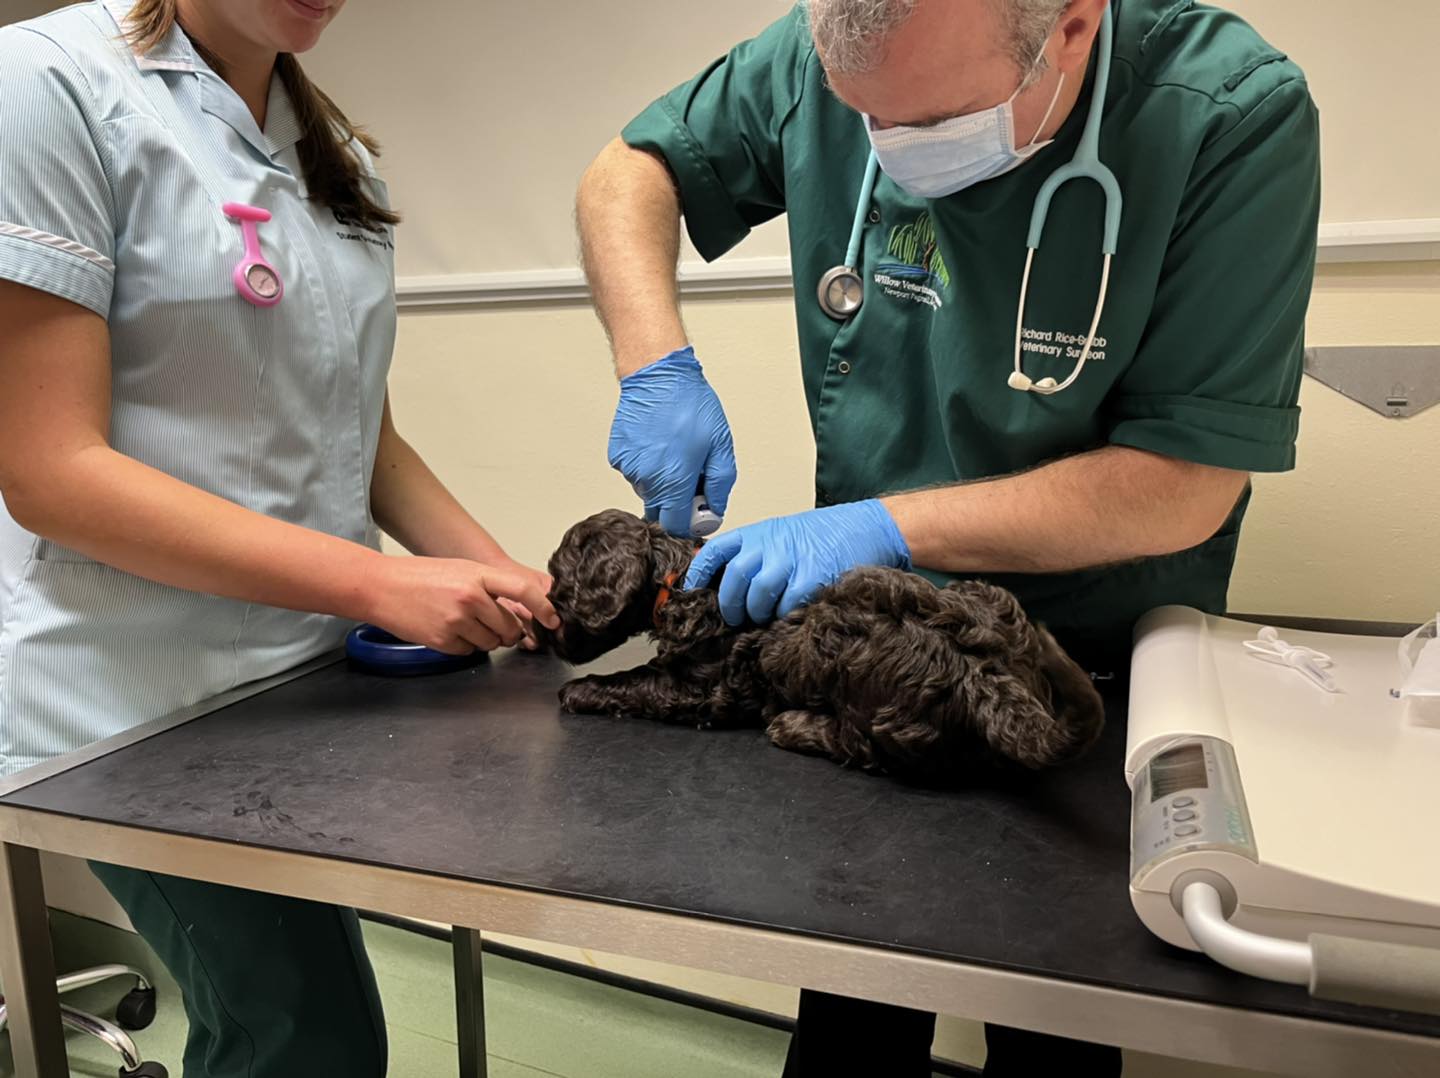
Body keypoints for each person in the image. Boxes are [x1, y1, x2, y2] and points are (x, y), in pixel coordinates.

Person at [576, 0, 1320, 1073]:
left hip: (1080, 665)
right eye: (862, 117)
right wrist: (654, 361)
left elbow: (1184, 485)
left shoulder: (1226, 112)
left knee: (1053, 1021)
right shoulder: (837, 43)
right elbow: (627, 170)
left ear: (1070, 28)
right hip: (864, 658)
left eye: (931, 122)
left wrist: (884, 524)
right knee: (853, 1002)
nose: (889, 151)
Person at [0, 1, 558, 1073]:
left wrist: (505, 576)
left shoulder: (332, 151)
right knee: (305, 1039)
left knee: (309, 1027)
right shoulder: (47, 86)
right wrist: (378, 586)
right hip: (133, 707)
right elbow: (50, 474)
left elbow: (366, 436)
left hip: (299, 696)